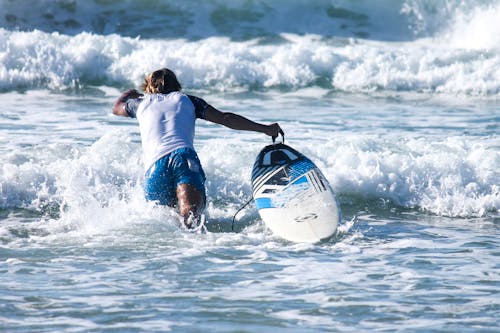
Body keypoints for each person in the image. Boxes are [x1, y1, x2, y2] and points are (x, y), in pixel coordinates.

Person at [112, 68, 283, 229]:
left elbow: (117, 107)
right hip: (183, 159)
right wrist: (266, 129)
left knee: (166, 225)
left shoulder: (139, 104)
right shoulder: (188, 100)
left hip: (154, 169)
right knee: (192, 223)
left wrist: (129, 94)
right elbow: (226, 118)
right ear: (176, 86)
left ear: (148, 87)